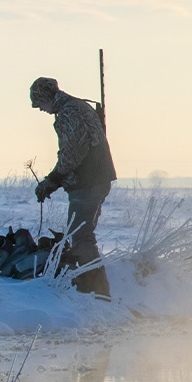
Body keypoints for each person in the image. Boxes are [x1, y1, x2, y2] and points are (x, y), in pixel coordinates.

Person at [30, 76, 116, 301]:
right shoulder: (76, 107)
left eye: (39, 103)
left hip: (87, 182)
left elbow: (73, 152)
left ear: (46, 97)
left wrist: (52, 180)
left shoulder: (69, 111)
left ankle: (99, 291)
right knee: (81, 235)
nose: (39, 109)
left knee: (81, 237)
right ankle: (90, 287)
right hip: (95, 179)